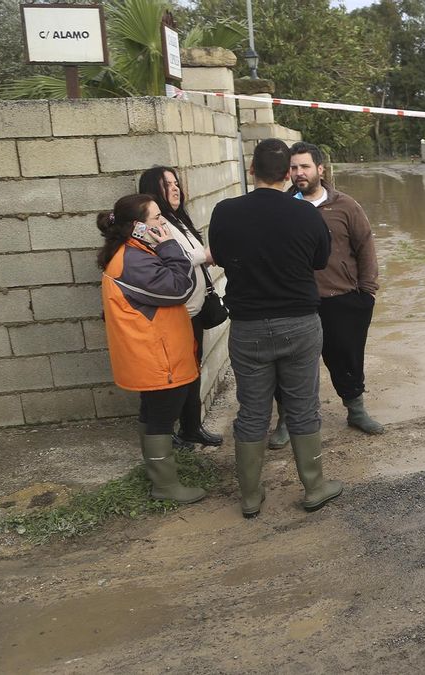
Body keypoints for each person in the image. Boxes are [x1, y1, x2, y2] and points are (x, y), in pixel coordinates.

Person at [209, 138, 342, 517]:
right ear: (288, 174)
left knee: (252, 410)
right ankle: (314, 487)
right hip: (300, 324)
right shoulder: (306, 215)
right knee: (303, 406)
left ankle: (251, 497)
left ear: (251, 170)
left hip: (248, 326)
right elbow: (320, 260)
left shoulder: (224, 212)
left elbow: (218, 256)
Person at [264, 141, 383, 448]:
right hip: (295, 302)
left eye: (304, 166)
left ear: (320, 169)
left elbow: (365, 247)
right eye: (293, 168)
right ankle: (287, 420)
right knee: (289, 364)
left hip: (341, 298)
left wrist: (366, 294)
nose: (298, 173)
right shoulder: (281, 207)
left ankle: (356, 410)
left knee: (347, 357)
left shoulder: (345, 206)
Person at [97, 193, 204, 504]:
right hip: (156, 357)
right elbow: (179, 288)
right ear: (137, 227)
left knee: (153, 412)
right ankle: (165, 487)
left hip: (154, 353)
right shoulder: (133, 260)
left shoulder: (134, 252)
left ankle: (158, 475)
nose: (163, 223)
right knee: (161, 416)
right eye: (156, 218)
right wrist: (170, 246)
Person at [137, 166, 224, 451]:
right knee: (170, 378)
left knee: (192, 373)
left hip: (192, 311)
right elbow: (181, 257)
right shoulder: (153, 224)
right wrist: (208, 254)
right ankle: (166, 433)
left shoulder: (176, 219)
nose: (175, 189)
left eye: (176, 183)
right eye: (167, 185)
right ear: (152, 190)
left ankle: (191, 427)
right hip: (175, 316)